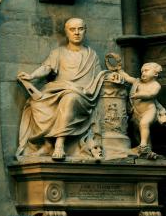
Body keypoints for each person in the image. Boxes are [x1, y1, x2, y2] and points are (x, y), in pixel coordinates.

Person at [16, 18, 107, 161]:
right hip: (58, 90)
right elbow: (47, 67)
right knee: (36, 103)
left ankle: (59, 144)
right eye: (72, 29)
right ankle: (47, 144)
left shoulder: (92, 55)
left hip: (82, 95)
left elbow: (99, 77)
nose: (76, 33)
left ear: (85, 31)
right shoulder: (58, 52)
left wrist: (115, 76)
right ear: (67, 32)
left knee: (70, 98)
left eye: (80, 29)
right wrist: (31, 75)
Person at [115, 62, 166, 157]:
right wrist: (119, 70)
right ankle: (146, 148)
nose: (143, 73)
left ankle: (143, 145)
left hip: (149, 111)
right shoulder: (137, 82)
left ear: (155, 74)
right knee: (137, 131)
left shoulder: (155, 85)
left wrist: (140, 95)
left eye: (146, 70)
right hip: (136, 113)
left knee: (144, 124)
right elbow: (127, 78)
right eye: (142, 71)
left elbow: (151, 94)